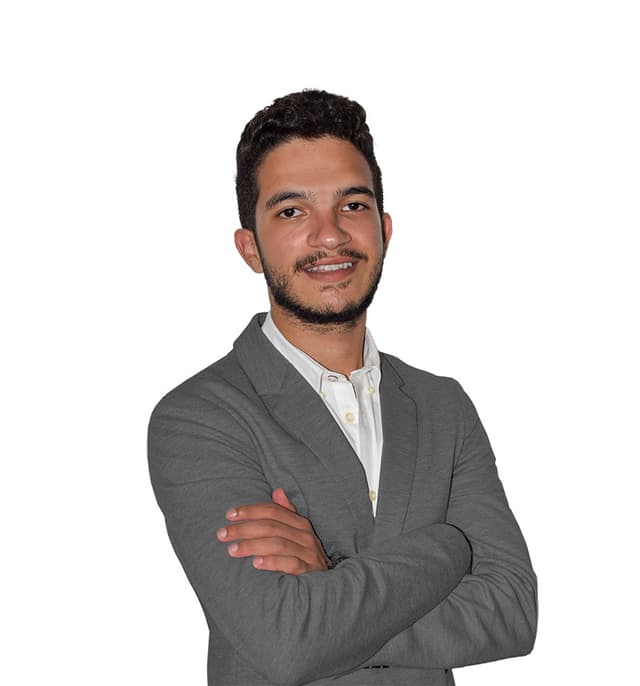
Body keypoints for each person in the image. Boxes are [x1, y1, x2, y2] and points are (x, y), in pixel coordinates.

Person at [148, 89, 537, 685]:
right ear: (250, 248)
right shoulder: (198, 417)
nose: (329, 236)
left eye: (352, 205)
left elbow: (512, 611)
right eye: (292, 211)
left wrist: (329, 586)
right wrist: (450, 548)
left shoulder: (443, 406)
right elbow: (285, 640)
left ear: (383, 229)